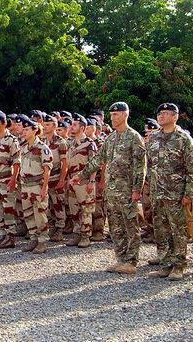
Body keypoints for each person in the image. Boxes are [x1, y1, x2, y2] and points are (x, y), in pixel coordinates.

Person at [75, 102, 147, 274]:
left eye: (116, 114)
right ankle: (121, 258)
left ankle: (131, 261)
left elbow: (140, 166)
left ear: (125, 115)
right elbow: (99, 159)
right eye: (111, 114)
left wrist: (137, 189)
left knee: (130, 226)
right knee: (115, 226)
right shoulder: (112, 138)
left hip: (128, 191)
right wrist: (82, 175)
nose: (112, 118)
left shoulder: (134, 137)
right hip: (112, 191)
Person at [147, 103, 193, 280]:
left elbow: (192, 168)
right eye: (159, 113)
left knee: (178, 230)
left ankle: (178, 265)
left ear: (175, 117)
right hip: (157, 192)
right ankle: (165, 264)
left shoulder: (183, 139)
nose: (161, 116)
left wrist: (188, 193)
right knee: (161, 229)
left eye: (166, 113)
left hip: (176, 193)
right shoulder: (154, 138)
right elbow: (150, 164)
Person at [19, 117, 53, 253]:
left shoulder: (43, 148)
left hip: (37, 185)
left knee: (40, 214)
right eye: (24, 129)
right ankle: (33, 238)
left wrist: (44, 188)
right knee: (28, 214)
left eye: (27, 129)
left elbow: (47, 170)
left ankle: (42, 241)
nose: (24, 132)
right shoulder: (24, 147)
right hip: (25, 185)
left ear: (34, 131)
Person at [0, 109, 21, 248]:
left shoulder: (11, 140)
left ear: (4, 123)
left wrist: (14, 179)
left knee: (8, 209)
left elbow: (17, 161)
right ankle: (3, 235)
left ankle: (11, 236)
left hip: (7, 179)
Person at [66, 113, 98, 248]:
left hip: (84, 182)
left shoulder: (89, 144)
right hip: (72, 181)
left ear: (82, 127)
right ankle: (77, 233)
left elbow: (94, 164)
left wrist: (91, 181)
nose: (71, 127)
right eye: (72, 124)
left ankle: (85, 236)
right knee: (74, 209)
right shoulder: (71, 143)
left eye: (75, 125)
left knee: (86, 210)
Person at [42, 113, 69, 242]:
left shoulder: (60, 142)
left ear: (54, 126)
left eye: (48, 125)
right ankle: (51, 227)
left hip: (56, 178)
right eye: (44, 124)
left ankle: (60, 230)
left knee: (58, 205)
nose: (45, 127)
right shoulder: (41, 141)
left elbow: (65, 164)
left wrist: (62, 180)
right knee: (47, 206)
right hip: (44, 180)